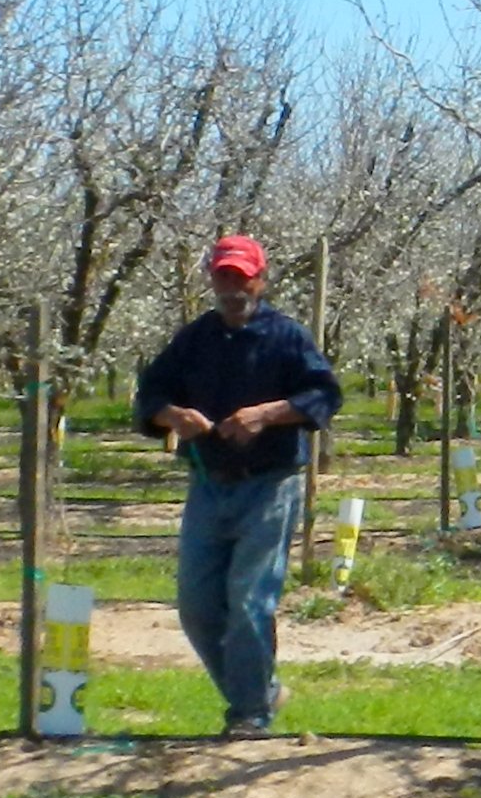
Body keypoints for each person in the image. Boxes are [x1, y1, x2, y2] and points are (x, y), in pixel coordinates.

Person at [129, 233, 341, 737]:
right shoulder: (193, 340)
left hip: (269, 486)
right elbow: (150, 394)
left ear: (260, 281)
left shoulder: (286, 337)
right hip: (208, 484)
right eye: (224, 277)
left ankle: (249, 714)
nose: (232, 289)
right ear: (212, 280)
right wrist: (172, 416)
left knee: (249, 600)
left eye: (242, 278)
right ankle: (261, 691)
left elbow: (324, 394)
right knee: (197, 606)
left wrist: (266, 415)